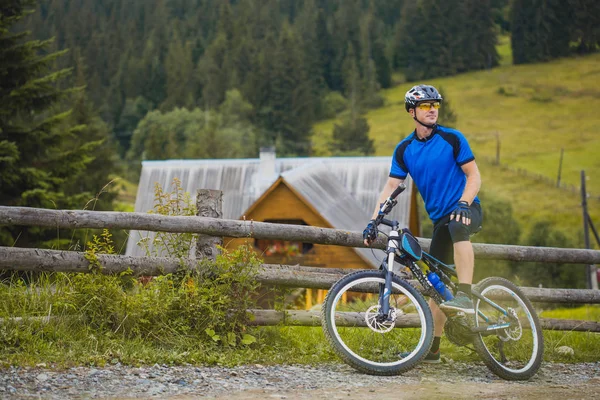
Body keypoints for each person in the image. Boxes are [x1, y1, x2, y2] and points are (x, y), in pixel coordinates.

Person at [362, 84, 483, 364]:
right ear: (411, 111)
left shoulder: (453, 138)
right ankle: (433, 349)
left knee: (457, 225)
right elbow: (392, 185)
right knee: (435, 281)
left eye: (435, 105)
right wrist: (373, 221)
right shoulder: (405, 150)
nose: (432, 110)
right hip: (440, 219)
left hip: (467, 209)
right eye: (426, 106)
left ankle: (465, 295)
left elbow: (474, 175)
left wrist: (464, 203)